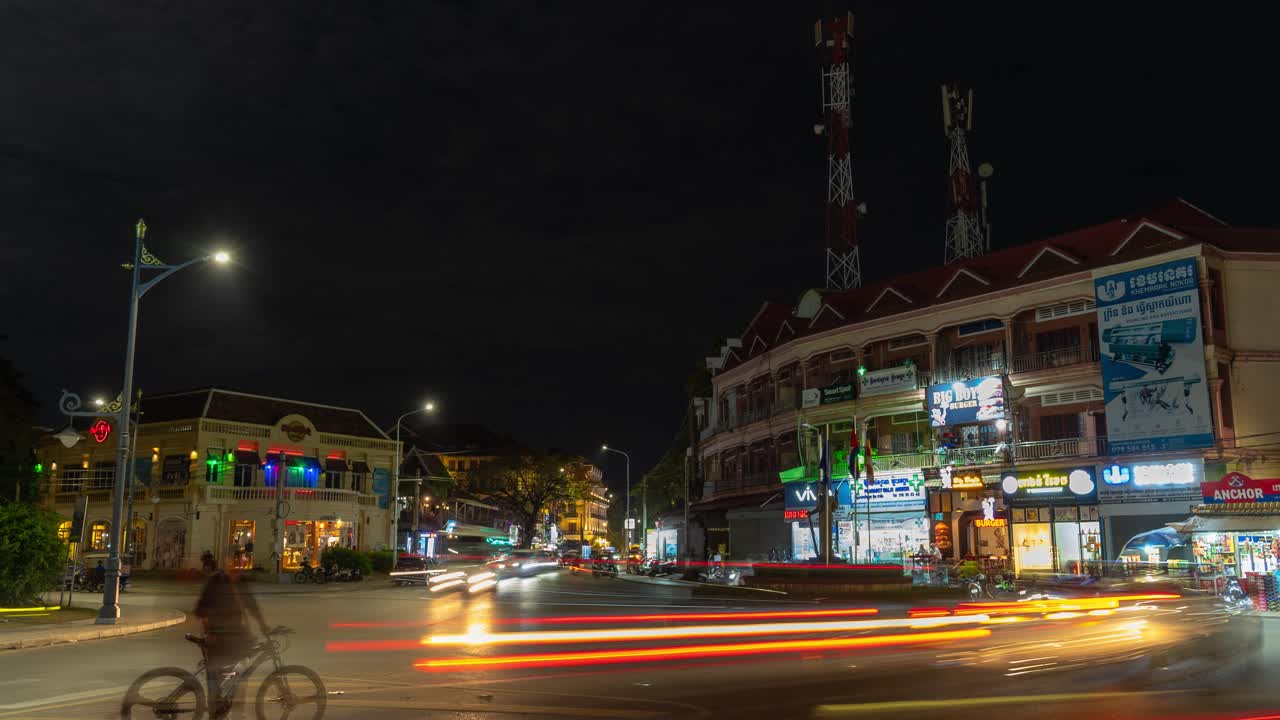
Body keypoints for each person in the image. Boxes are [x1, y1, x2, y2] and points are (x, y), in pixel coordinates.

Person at [194, 569, 269, 717]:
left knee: (240, 671)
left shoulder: (241, 582)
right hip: (217, 635)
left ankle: (233, 709)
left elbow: (251, 605)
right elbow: (201, 609)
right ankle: (217, 710)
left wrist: (263, 626)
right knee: (217, 676)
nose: (236, 569)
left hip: (236, 636)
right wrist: (209, 631)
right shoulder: (215, 580)